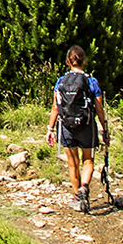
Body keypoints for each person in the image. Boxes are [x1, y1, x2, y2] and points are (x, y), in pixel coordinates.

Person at [47, 42, 103, 213]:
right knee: (88, 160)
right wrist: (105, 129)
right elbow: (99, 108)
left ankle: (78, 199)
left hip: (66, 127)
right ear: (84, 61)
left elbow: (56, 107)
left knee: (73, 164)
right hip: (87, 126)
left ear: (68, 62)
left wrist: (50, 129)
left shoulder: (60, 82)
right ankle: (84, 188)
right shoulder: (91, 82)